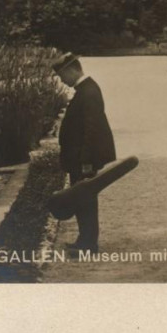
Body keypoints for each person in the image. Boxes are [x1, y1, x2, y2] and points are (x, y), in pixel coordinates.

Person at [52, 53, 116, 254]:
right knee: (82, 198)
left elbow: (92, 129)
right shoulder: (86, 89)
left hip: (83, 159)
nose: (62, 80)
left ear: (72, 70)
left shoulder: (88, 92)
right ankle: (85, 240)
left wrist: (86, 161)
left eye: (62, 76)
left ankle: (88, 243)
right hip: (79, 157)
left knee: (85, 199)